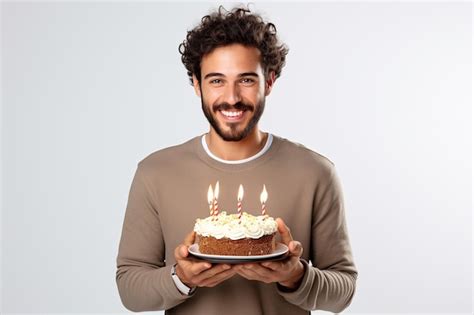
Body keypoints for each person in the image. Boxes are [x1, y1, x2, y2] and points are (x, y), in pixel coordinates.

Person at [116, 6, 357, 315]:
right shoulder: (156, 173)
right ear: (196, 83)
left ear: (269, 82)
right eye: (216, 80)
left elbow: (343, 290)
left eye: (246, 80)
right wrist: (181, 278)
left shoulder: (315, 172)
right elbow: (130, 290)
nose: (231, 97)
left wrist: (295, 277)